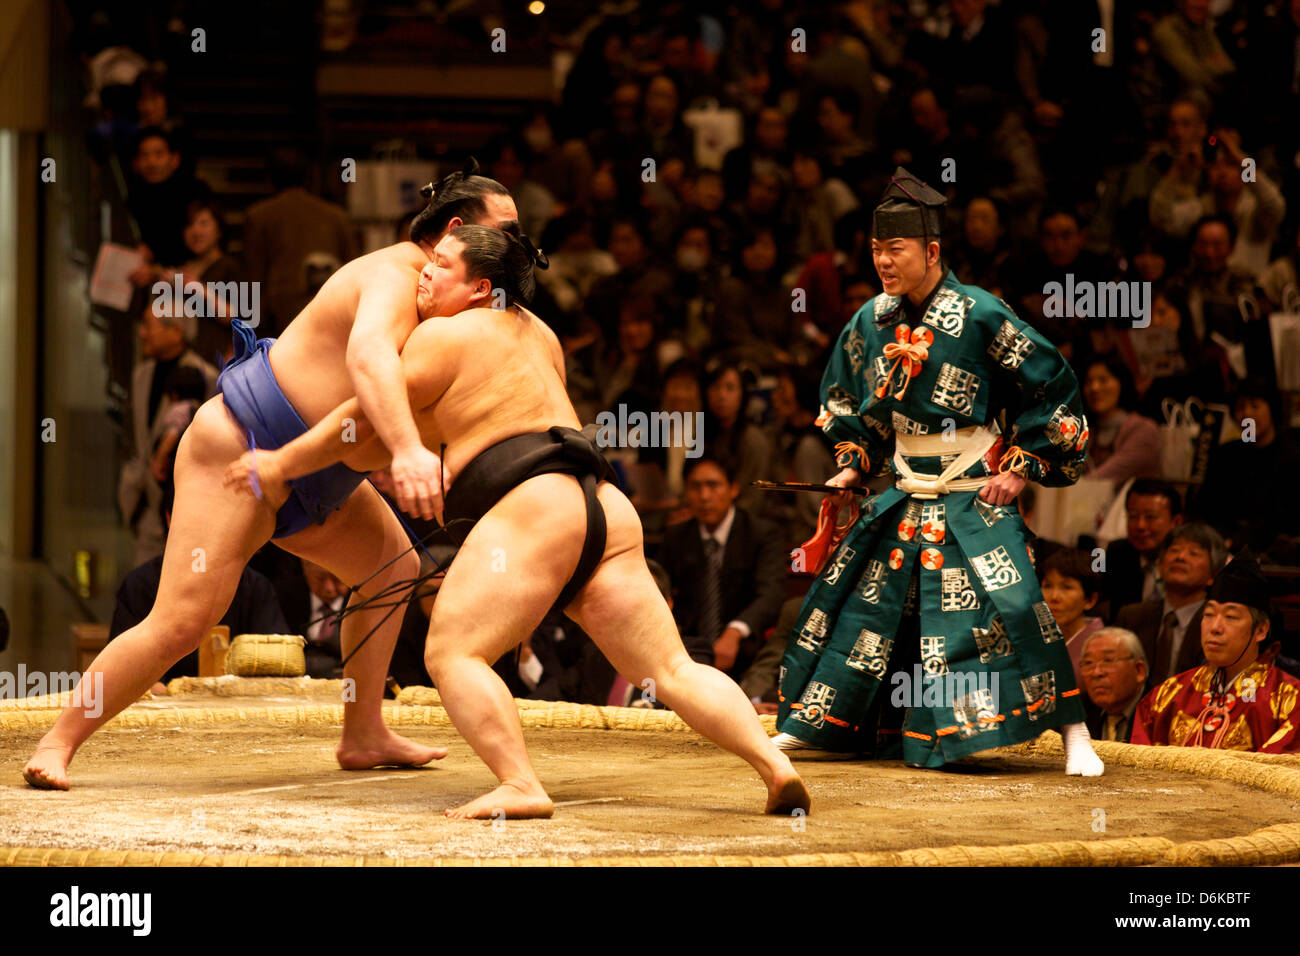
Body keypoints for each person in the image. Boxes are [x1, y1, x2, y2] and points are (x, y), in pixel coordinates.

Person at [226, 223, 810, 819]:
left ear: (480, 287)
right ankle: (774, 766)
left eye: (443, 265)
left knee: (453, 652)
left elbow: (364, 415)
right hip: (603, 506)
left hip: (535, 509)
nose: (424, 272)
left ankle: (520, 783)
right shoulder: (543, 336)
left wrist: (282, 461)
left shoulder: (445, 336)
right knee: (671, 668)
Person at [22, 161, 519, 791]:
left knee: (393, 567)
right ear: (456, 229)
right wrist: (406, 453)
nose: (518, 247)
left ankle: (362, 731)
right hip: (239, 449)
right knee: (182, 621)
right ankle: (59, 740)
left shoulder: (455, 305)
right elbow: (368, 360)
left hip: (317, 478)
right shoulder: (395, 276)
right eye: (506, 231)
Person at [771, 168, 1104, 775]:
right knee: (858, 609)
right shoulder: (872, 319)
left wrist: (1023, 467)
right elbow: (847, 398)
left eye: (894, 250)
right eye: (876, 250)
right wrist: (854, 462)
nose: (883, 262)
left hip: (972, 487)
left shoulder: (981, 314)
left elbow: (1051, 384)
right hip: (904, 487)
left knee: (1018, 606)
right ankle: (815, 723)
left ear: (930, 251)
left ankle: (1074, 732)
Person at [1133, 551, 1300, 753]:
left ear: (1261, 630)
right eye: (1209, 615)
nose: (1215, 627)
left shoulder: (1288, 699)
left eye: (1231, 617)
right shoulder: (1166, 695)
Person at [655, 456, 787, 677]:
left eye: (713, 486)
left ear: (733, 489)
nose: (704, 496)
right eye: (695, 487)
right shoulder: (676, 536)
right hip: (687, 653)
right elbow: (659, 588)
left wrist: (735, 631)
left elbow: (771, 594)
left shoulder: (761, 534)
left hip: (746, 651)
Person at [118, 296, 218, 566]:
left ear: (176, 330)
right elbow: (135, 438)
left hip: (183, 508)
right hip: (144, 507)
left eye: (149, 326)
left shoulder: (206, 376)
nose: (142, 333)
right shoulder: (141, 374)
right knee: (140, 593)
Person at [1115, 522, 1225, 685]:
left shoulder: (1220, 624)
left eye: (1193, 553)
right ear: (1159, 567)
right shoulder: (1131, 616)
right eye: (1174, 550)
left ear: (1213, 575)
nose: (1180, 557)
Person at [1105, 479, 1184, 611]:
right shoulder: (1116, 553)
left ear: (1176, 521)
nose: (1140, 526)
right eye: (1133, 516)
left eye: (1150, 517)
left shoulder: (1186, 560)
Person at [1039, 548, 1105, 686]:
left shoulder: (1103, 644)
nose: (1054, 597)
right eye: (1047, 586)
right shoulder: (1033, 636)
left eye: (1066, 587)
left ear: (1090, 600)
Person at [1079, 627, 1149, 743]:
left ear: (1139, 670)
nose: (1097, 672)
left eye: (1108, 661)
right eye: (1088, 663)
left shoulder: (1162, 713)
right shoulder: (1078, 714)